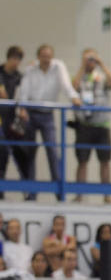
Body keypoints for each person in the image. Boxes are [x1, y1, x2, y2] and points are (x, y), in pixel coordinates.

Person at [16, 44, 82, 197]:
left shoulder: (58, 67)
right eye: (43, 56)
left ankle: (59, 188)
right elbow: (24, 90)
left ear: (52, 56)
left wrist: (74, 97)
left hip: (47, 114)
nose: (46, 59)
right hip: (31, 113)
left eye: (49, 56)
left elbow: (66, 84)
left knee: (52, 149)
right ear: (38, 57)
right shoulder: (31, 69)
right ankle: (31, 191)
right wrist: (22, 108)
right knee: (29, 151)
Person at [71, 49, 111, 200]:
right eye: (87, 59)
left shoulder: (101, 77)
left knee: (105, 161)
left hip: (102, 125)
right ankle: (79, 195)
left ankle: (107, 195)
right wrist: (82, 66)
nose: (90, 61)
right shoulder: (80, 76)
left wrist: (101, 63)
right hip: (84, 124)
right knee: (82, 161)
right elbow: (73, 87)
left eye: (92, 59)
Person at [0, 46, 30, 199]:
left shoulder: (20, 77)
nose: (16, 62)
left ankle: (28, 191)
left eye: (18, 59)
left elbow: (22, 97)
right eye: (14, 58)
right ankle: (1, 191)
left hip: (12, 122)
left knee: (22, 153)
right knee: (2, 154)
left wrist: (22, 108)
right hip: (0, 120)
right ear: (8, 58)